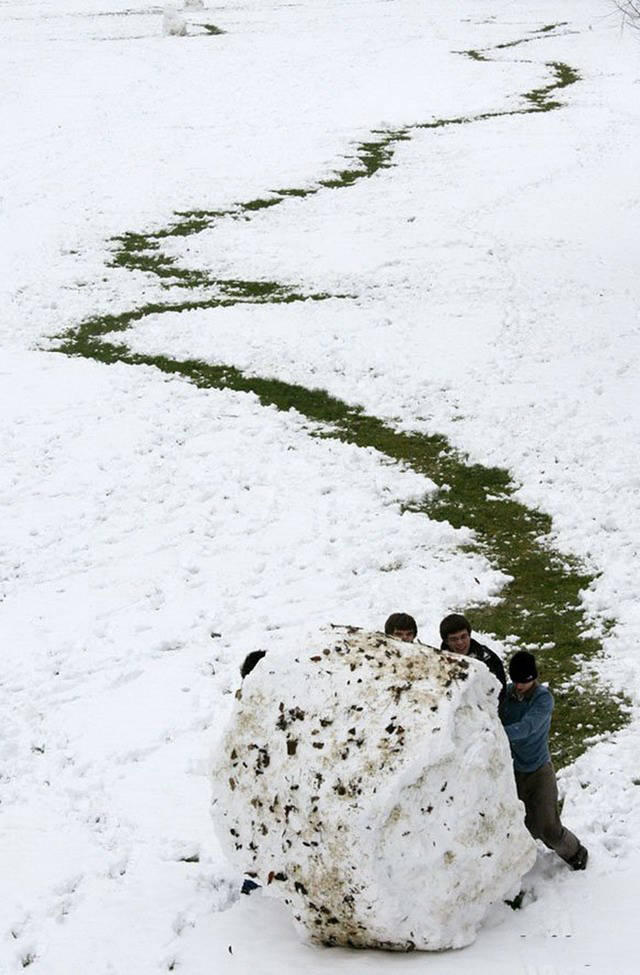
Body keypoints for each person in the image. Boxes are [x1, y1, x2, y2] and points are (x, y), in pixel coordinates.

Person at [501, 650, 588, 870]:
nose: (519, 686)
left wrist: (495, 732)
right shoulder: (507, 695)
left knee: (549, 828)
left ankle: (576, 853)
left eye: (525, 681)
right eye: (516, 681)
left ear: (534, 678)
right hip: (512, 771)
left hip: (538, 771)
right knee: (521, 823)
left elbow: (527, 728)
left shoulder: (543, 699)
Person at [439, 613, 506, 709]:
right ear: (446, 641)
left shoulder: (488, 659)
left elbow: (500, 693)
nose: (460, 642)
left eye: (463, 636)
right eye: (454, 639)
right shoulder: (439, 663)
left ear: (469, 635)